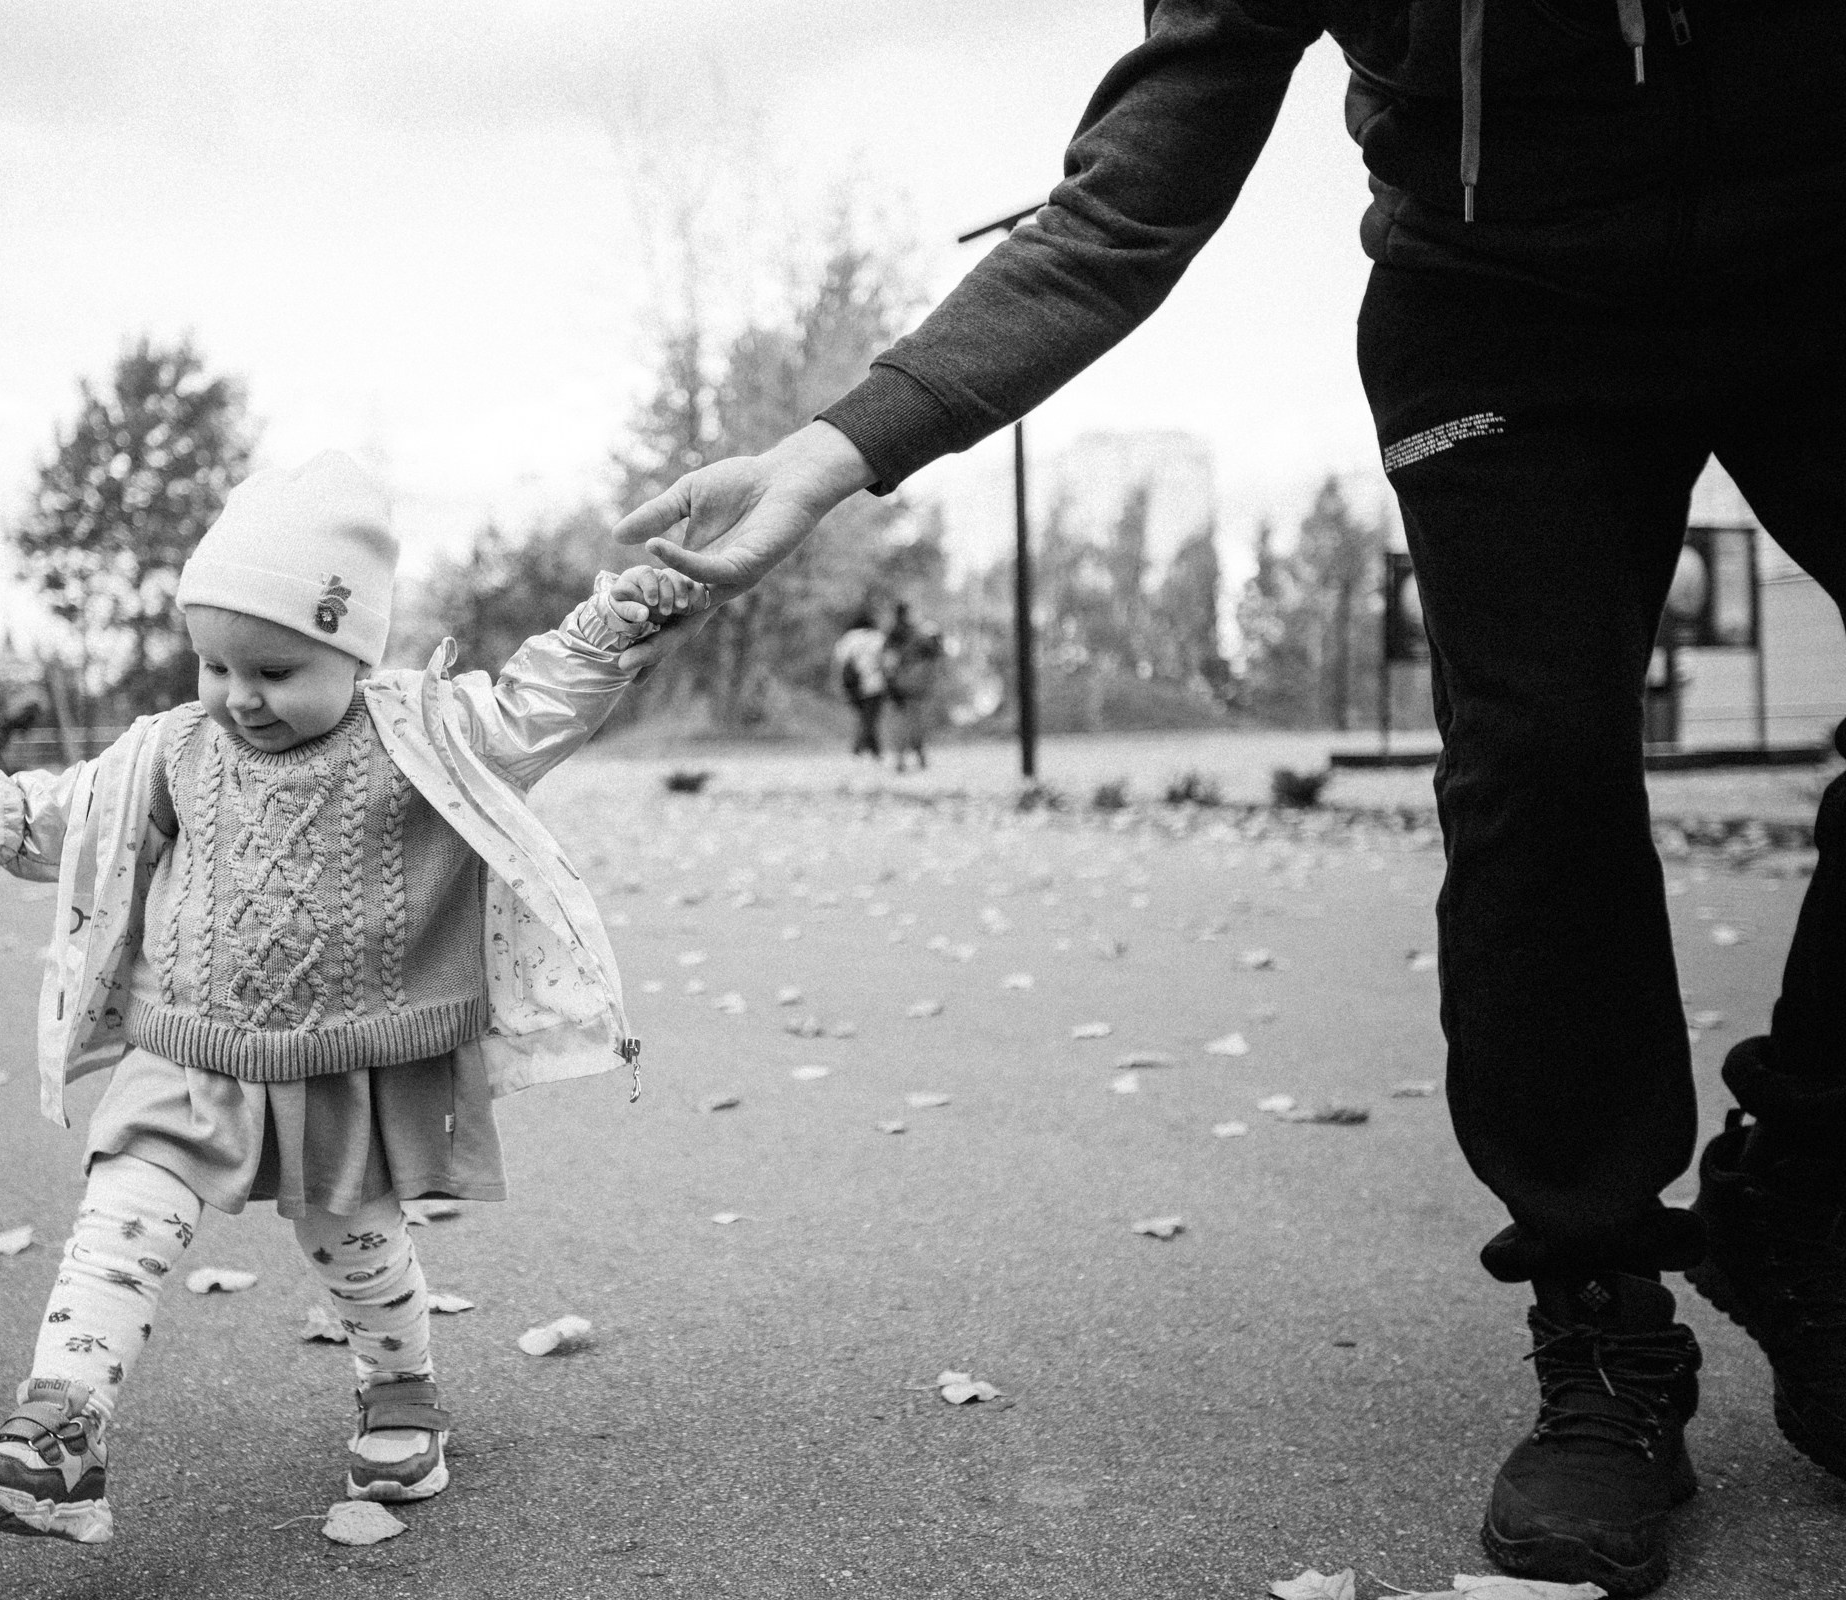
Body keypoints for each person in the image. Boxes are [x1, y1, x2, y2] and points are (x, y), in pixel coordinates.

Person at [611, 6, 1846, 1593]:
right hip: (1501, 303)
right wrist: (855, 438)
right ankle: (1599, 1328)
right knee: (1540, 765)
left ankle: (1804, 1184)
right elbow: (1130, 198)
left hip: (1817, 251)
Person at [0, 452, 706, 1544]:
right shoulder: (174, 749)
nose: (238, 695)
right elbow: (76, 816)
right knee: (120, 1220)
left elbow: (527, 712)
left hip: (341, 1061)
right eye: (214, 665)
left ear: (349, 649)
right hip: (187, 1049)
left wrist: (607, 629)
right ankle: (58, 1427)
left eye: (273, 669)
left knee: (355, 1245)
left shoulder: (417, 731)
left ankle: (402, 1387)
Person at [882, 601, 944, 773]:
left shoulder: (894, 635)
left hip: (900, 683)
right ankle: (918, 755)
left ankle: (903, 758)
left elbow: (888, 661)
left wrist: (890, 680)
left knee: (902, 720)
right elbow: (936, 653)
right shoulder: (920, 634)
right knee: (915, 719)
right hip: (916, 683)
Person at [831, 609, 890, 759]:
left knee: (864, 716)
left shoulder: (849, 638)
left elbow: (839, 662)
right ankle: (860, 749)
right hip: (875, 683)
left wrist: (839, 683)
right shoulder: (878, 638)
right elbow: (887, 661)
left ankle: (872, 750)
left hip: (853, 685)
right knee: (870, 717)